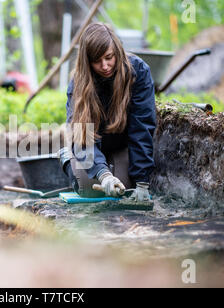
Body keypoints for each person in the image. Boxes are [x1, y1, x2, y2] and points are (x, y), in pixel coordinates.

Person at [59, 22, 156, 201]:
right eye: (97, 61)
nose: (105, 66)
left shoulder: (138, 72)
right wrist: (103, 175)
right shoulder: (78, 83)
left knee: (123, 190)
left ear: (117, 51)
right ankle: (67, 157)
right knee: (89, 189)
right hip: (88, 145)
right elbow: (82, 137)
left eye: (109, 57)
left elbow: (142, 127)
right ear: (87, 62)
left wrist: (142, 182)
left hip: (121, 144)